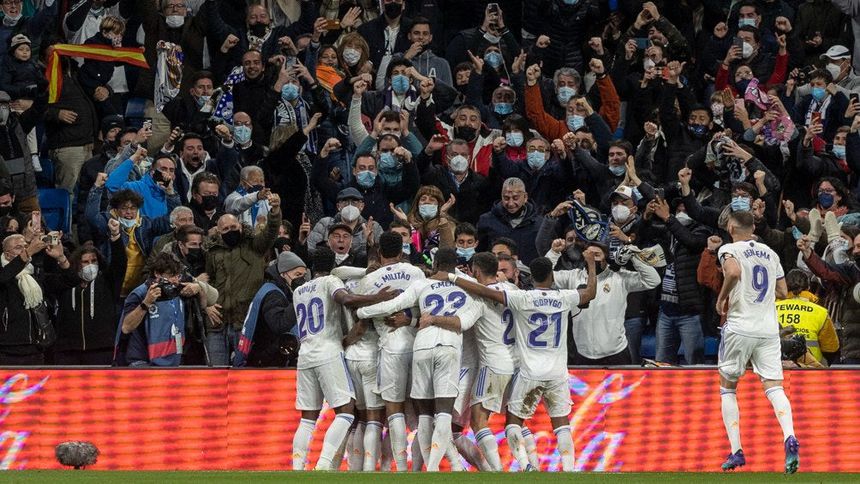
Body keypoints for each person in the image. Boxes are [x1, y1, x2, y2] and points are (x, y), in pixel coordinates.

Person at [449, 252, 597, 471]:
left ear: (476, 271)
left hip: (505, 366)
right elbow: (590, 293)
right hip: (535, 367)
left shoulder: (519, 297)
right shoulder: (520, 290)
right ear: (552, 276)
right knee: (560, 423)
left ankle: (503, 470)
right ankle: (562, 470)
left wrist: (452, 279)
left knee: (489, 421)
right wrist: (591, 265)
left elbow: (478, 301)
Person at [357, 248, 479, 471]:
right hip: (449, 347)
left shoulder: (422, 284)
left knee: (424, 415)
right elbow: (465, 321)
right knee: (442, 413)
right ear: (456, 265)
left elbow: (392, 305)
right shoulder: (469, 285)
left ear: (435, 264)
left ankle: (423, 468)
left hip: (421, 347)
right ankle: (434, 468)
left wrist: (362, 313)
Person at [290, 246, 395, 471]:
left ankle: (297, 468)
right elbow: (345, 299)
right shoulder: (330, 281)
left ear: (312, 266)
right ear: (333, 266)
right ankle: (323, 464)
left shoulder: (298, 290)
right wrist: (377, 297)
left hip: (305, 354)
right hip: (328, 351)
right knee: (346, 413)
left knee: (307, 419)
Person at [715, 211, 798, 473]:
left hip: (740, 327)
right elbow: (783, 291)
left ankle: (736, 450)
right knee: (774, 388)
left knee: (728, 388)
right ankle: (789, 435)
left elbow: (733, 271)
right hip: (768, 330)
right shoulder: (771, 253)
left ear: (731, 227)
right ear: (752, 228)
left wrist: (722, 298)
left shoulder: (728, 249)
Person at [352, 230, 426, 471]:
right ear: (402, 252)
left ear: (379, 252)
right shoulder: (416, 273)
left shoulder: (370, 280)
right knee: (423, 413)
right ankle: (419, 468)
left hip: (390, 348)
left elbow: (356, 312)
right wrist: (410, 319)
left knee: (393, 412)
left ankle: (401, 468)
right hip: (418, 345)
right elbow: (425, 305)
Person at [44, 218, 126, 365]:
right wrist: (54, 251)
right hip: (67, 351)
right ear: (77, 263)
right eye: (85, 262)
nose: (90, 265)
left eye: (94, 261)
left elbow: (120, 262)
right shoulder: (66, 282)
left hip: (102, 349)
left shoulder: (107, 282)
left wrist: (115, 237)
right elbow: (50, 274)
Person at [465, 251, 518, 471]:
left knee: (478, 421)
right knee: (515, 421)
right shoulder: (513, 290)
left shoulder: (479, 299)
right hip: (516, 363)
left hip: (493, 365)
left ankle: (497, 471)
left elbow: (462, 323)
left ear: (476, 271)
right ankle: (528, 464)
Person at [118, 252, 191, 367]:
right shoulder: (140, 293)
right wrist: (146, 303)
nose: (175, 280)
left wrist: (199, 288)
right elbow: (126, 327)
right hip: (143, 361)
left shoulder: (177, 290)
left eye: (178, 275)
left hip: (172, 361)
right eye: (171, 275)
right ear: (157, 274)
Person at [776, 269, 839, 367]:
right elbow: (831, 349)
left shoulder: (771, 308)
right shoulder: (820, 312)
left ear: (785, 286)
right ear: (808, 287)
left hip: (776, 366)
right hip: (810, 370)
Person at [0, 233, 47, 364]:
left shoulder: (34, 272)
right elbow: (4, 276)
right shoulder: (3, 272)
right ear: (7, 254)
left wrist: (61, 257)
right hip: (6, 349)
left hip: (35, 347)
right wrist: (29, 251)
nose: (24, 250)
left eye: (25, 246)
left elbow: (68, 280)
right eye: (18, 247)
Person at [476, 177, 541, 263]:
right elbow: (480, 253)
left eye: (515, 198)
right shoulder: (486, 221)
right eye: (506, 198)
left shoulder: (539, 224)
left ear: (525, 197)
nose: (510, 203)